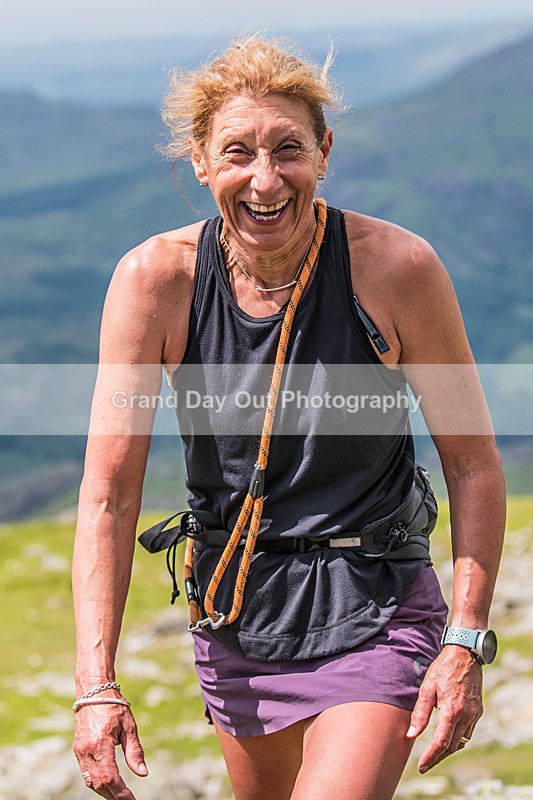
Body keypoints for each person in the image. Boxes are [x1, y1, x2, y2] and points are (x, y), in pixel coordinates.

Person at [72, 34, 506, 800]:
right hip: (238, 610)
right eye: (237, 152)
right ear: (201, 163)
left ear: (324, 153)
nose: (264, 179)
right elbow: (108, 495)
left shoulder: (396, 269)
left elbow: (472, 463)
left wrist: (464, 641)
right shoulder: (155, 283)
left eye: (288, 150)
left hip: (377, 597)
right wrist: (95, 684)